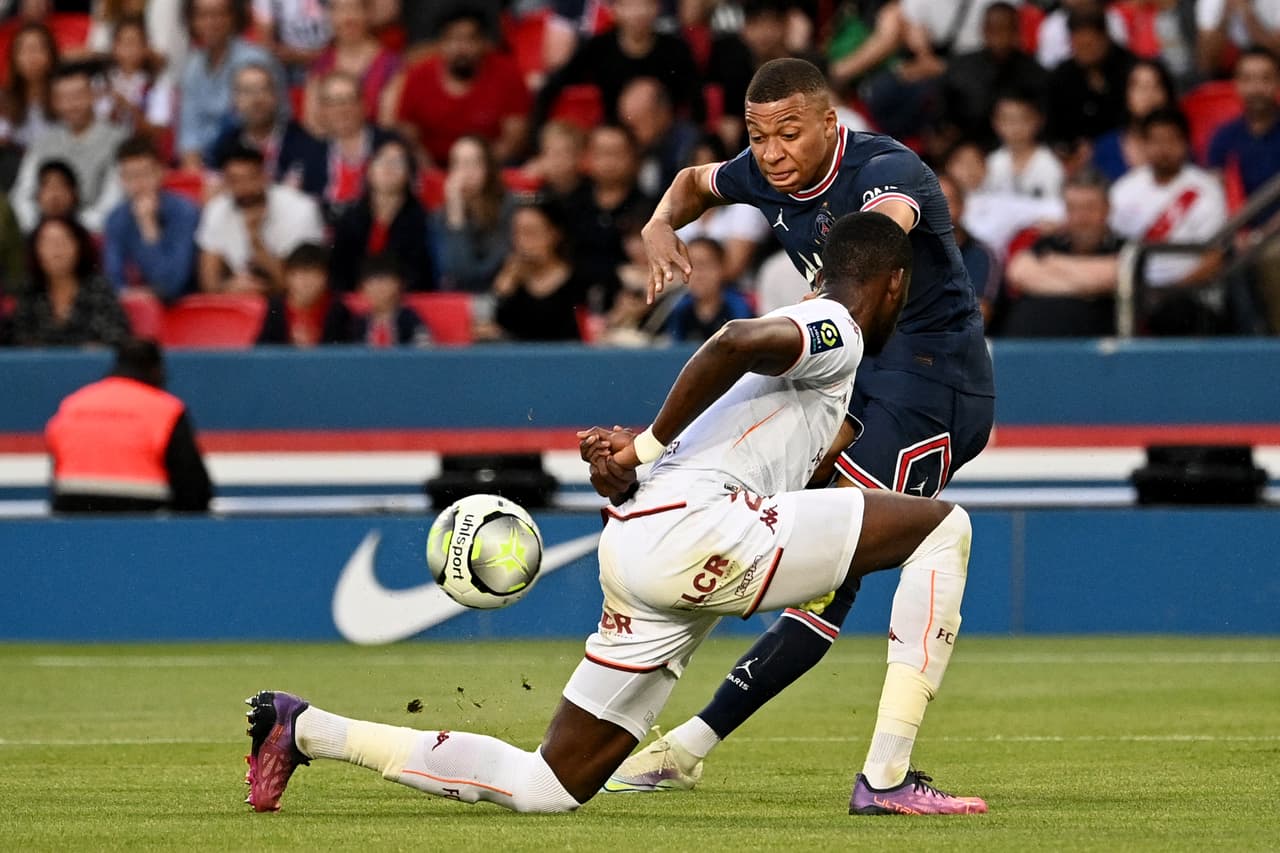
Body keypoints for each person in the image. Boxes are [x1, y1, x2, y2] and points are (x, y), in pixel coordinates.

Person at [243, 210, 987, 816]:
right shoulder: (838, 326)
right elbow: (734, 339)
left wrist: (640, 453)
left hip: (642, 544)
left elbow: (738, 432)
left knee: (548, 785)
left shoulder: (811, 361)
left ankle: (304, 727)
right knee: (943, 527)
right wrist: (647, 448)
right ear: (892, 284)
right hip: (701, 533)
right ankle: (886, 779)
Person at [610, 57, 994, 799]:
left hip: (929, 386)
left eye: (790, 132)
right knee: (772, 544)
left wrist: (832, 288)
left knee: (833, 575)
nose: (773, 152)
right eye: (758, 136)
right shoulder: (763, 172)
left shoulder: (889, 172)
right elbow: (694, 183)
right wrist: (659, 224)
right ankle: (683, 749)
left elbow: (884, 233)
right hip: (851, 380)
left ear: (831, 122)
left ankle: (883, 773)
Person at [45, 337, 212, 512]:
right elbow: (193, 488)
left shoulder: (73, 404)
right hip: (143, 514)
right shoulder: (166, 409)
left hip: (72, 509)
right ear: (156, 370)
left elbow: (57, 466)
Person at [530, 0, 705, 136]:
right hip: (614, 136)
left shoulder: (675, 49)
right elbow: (554, 84)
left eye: (646, 4)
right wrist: (537, 134)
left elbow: (696, 98)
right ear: (615, 10)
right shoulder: (599, 47)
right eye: (630, 5)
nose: (638, 13)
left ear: (657, 8)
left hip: (665, 135)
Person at [389, 6, 530, 168]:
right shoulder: (417, 77)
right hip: (432, 168)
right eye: (453, 39)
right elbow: (408, 136)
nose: (461, 48)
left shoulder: (508, 75)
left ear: (483, 43)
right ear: (440, 44)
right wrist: (430, 171)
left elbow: (514, 139)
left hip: (491, 168)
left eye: (470, 39)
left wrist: (475, 169)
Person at [1206, 46, 1280, 333]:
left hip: (1272, 235)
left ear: (1276, 83)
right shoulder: (1223, 137)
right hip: (1233, 234)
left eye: (1264, 78)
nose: (1256, 88)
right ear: (1236, 84)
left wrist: (1261, 235)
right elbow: (1215, 190)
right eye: (1247, 79)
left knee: (1271, 255)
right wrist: (1236, 233)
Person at [999, 168, 1122, 337]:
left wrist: (1053, 264)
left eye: (1089, 208)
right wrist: (1088, 286)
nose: (1081, 218)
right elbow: (1018, 273)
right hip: (1027, 345)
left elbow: (1113, 276)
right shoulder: (1049, 243)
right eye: (1073, 208)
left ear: (1107, 209)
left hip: (1095, 349)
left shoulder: (1122, 248)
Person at [10, 62, 126, 233]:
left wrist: (71, 229)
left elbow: (113, 201)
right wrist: (40, 227)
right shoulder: (43, 142)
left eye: (78, 95)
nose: (72, 105)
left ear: (94, 96)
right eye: (63, 98)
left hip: (95, 232)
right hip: (44, 231)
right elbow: (22, 195)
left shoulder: (118, 140)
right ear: (55, 102)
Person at [195, 142, 325, 293]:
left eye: (251, 178)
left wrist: (256, 241)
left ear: (265, 176)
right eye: (234, 180)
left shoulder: (300, 209)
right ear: (225, 182)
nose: (244, 188)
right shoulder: (217, 210)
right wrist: (229, 289)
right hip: (237, 299)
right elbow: (209, 282)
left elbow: (302, 288)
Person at [177, 0, 281, 171]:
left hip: (251, 161)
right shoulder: (193, 65)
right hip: (205, 165)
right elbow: (189, 130)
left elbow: (272, 121)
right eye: (203, 15)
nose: (211, 22)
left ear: (233, 17)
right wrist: (195, 173)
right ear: (192, 21)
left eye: (219, 14)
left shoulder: (256, 60)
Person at [566, 124, 655, 309]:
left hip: (629, 307)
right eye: (601, 153)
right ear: (589, 156)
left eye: (616, 153)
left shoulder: (648, 208)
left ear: (633, 157)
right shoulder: (572, 204)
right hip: (573, 306)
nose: (609, 162)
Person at [329, 136, 433, 293]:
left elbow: (420, 274)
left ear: (409, 174)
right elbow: (338, 271)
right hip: (354, 302)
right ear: (369, 170)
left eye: (397, 162)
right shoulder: (350, 218)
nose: (388, 167)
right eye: (381, 160)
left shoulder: (421, 220)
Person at [208, 62, 328, 197]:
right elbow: (212, 198)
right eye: (247, 91)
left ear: (276, 96)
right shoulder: (223, 146)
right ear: (234, 100)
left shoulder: (306, 144)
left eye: (263, 89)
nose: (256, 99)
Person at [103, 135, 199, 300]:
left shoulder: (185, 212)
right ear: (122, 180)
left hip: (181, 306)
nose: (138, 184)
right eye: (130, 176)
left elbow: (171, 284)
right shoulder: (116, 218)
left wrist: (148, 227)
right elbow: (113, 279)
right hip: (133, 307)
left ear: (160, 173)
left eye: (144, 174)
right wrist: (128, 295)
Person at [940, 1, 1046, 148]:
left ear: (1017, 32)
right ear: (984, 31)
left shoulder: (1035, 73)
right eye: (994, 30)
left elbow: (1042, 120)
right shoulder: (960, 67)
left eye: (1006, 29)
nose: (1000, 38)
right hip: (968, 150)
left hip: (1019, 149)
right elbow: (944, 117)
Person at [11, 214, 129, 346]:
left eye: (63, 242)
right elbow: (17, 338)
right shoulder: (29, 290)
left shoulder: (98, 288)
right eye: (48, 243)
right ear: (36, 250)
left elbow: (116, 336)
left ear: (79, 247)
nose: (56, 250)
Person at [481, 199, 586, 342]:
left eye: (531, 233)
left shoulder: (578, 281)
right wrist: (501, 292)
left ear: (555, 234)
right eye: (517, 233)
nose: (523, 242)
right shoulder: (509, 280)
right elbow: (489, 328)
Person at [433, 135, 513, 295]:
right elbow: (454, 274)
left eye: (473, 163)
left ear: (488, 168)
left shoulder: (510, 207)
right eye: (458, 164)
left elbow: (483, 273)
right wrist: (456, 213)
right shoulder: (440, 216)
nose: (465, 172)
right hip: (456, 301)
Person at [302, 0, 401, 129]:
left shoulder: (390, 64)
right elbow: (312, 122)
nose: (347, 17)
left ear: (368, 14)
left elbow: (387, 124)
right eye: (339, 10)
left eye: (355, 8)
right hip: (328, 146)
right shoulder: (320, 64)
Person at [1091, 58, 1177, 182]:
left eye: (1156, 86)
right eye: (1140, 88)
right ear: (1125, 95)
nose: (1149, 95)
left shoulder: (1183, 143)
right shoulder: (1105, 148)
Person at [619, 76, 701, 199]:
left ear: (661, 114)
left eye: (635, 125)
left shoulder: (690, 148)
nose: (629, 135)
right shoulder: (643, 150)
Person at [257, 243, 351, 346]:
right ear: (287, 277)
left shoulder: (338, 310)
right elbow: (263, 350)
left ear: (326, 278)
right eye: (300, 274)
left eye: (314, 274)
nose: (307, 282)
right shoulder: (276, 308)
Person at [938, 173, 1001, 327]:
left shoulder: (981, 255)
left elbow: (980, 314)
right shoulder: (909, 252)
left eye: (946, 202)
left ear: (962, 206)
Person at [664, 237, 753, 342]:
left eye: (705, 265)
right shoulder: (678, 310)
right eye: (690, 266)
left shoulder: (739, 308)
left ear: (722, 268)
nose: (698, 275)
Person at [982, 91, 1065, 201]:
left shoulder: (1052, 165)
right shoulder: (990, 163)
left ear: (1040, 120)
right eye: (1007, 119)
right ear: (995, 122)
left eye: (1023, 119)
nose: (1015, 127)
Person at [345, 254, 429, 346]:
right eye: (371, 283)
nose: (377, 289)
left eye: (382, 281)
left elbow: (425, 350)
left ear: (398, 284)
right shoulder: (359, 323)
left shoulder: (409, 319)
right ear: (362, 289)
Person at [0, 21, 59, 151]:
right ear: (14, 57)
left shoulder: (64, 94)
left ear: (51, 54)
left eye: (37, 49)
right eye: (23, 50)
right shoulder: (3, 100)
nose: (31, 57)